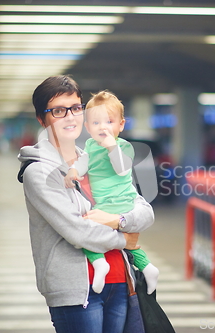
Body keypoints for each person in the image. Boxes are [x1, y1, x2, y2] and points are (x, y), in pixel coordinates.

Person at [17, 75, 154, 333]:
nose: (70, 117)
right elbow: (77, 231)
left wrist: (119, 221)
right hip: (75, 292)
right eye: (58, 110)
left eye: (76, 108)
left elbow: (144, 211)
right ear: (42, 119)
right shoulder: (38, 172)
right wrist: (125, 239)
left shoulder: (97, 158)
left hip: (120, 281)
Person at [64, 90, 159, 295]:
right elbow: (83, 162)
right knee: (129, 244)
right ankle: (148, 268)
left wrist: (111, 147)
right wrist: (73, 172)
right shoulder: (89, 145)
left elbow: (123, 168)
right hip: (104, 203)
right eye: (96, 123)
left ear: (121, 125)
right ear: (88, 127)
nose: (103, 128)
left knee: (87, 231)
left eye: (109, 122)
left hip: (120, 202)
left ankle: (99, 264)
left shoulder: (123, 146)